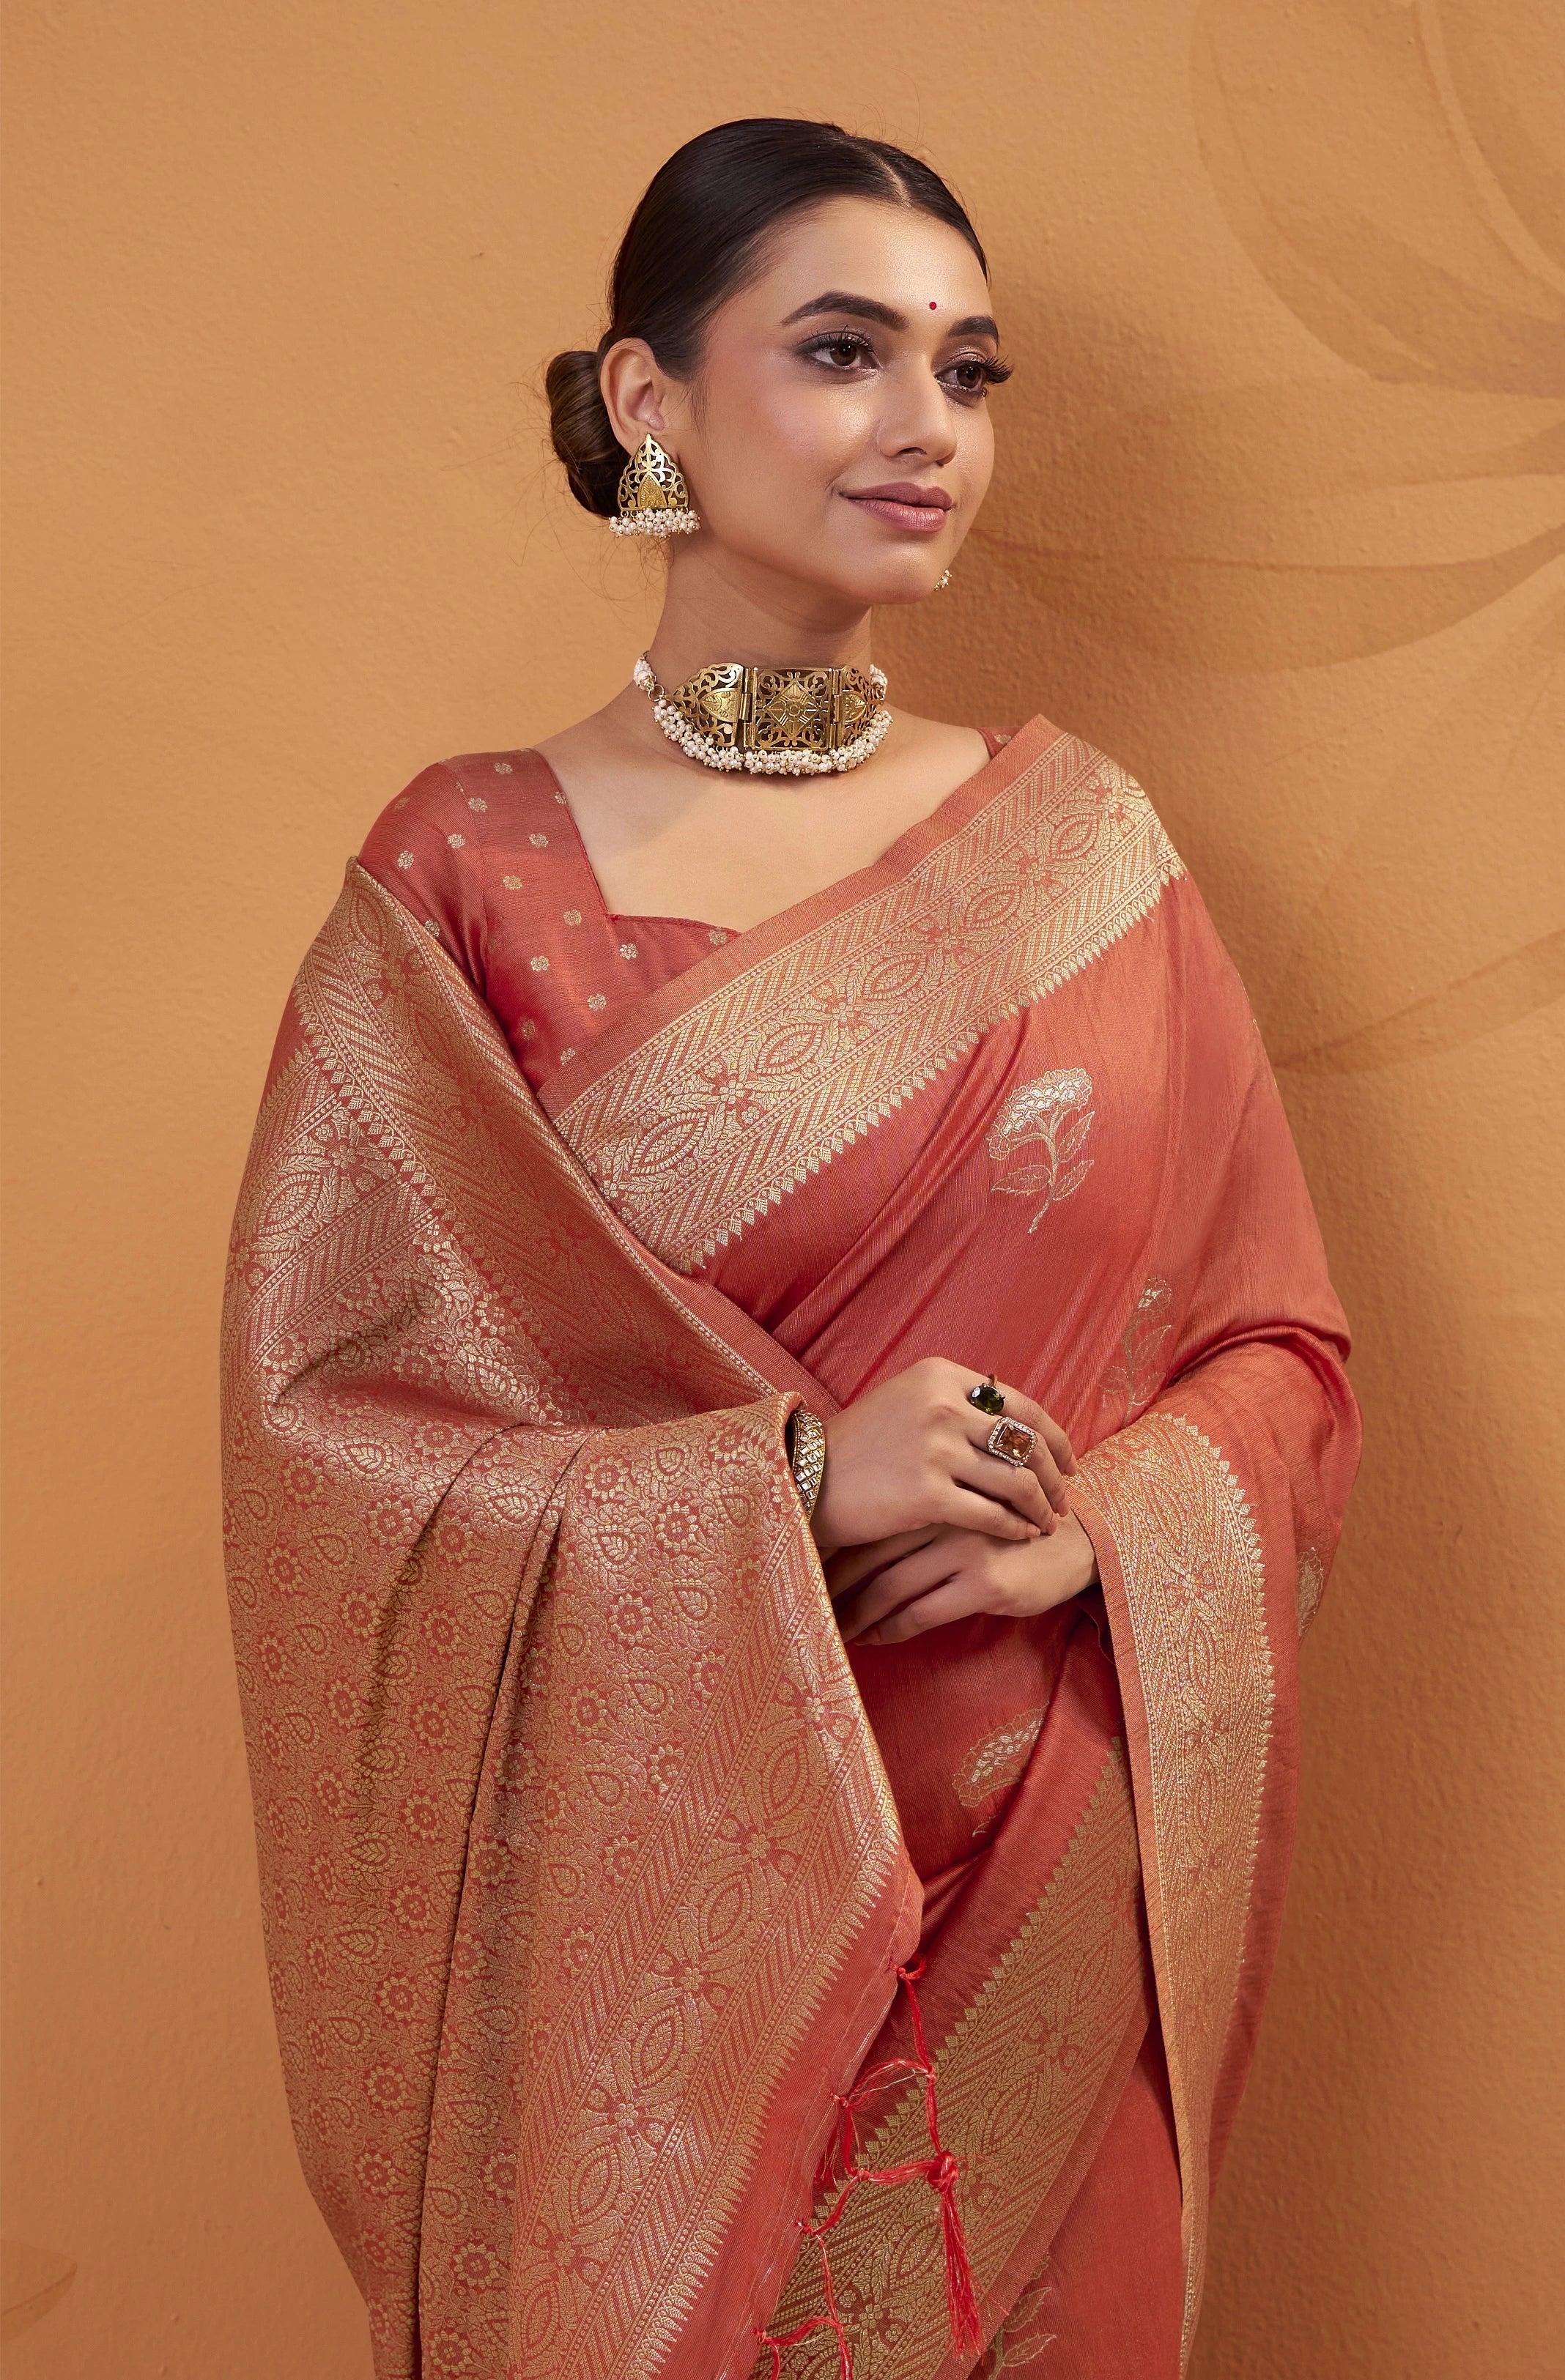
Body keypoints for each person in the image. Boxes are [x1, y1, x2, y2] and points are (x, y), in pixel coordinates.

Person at [223, 116, 1360, 2380]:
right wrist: (788, 1483)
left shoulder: (1088, 852)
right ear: (648, 401)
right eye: (845, 350)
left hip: (1048, 1882)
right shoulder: (462, 872)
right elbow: (328, 1443)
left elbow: (1282, 1348)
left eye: (969, 366)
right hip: (659, 1934)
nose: (928, 424)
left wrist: (1103, 1524)